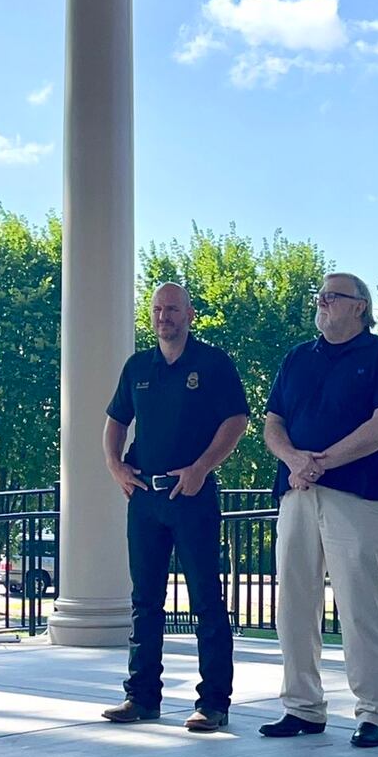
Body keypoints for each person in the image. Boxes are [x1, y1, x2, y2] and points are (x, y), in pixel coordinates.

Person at [261, 273, 378, 748]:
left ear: (360, 307)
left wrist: (321, 462)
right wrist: (293, 461)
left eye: (333, 297)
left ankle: (371, 713)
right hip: (296, 495)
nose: (322, 303)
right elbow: (272, 423)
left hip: (357, 495)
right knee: (294, 605)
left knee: (361, 606)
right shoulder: (297, 358)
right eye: (320, 296)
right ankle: (302, 708)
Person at [100, 283, 250, 731]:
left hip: (192, 495)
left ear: (190, 314)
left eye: (172, 310)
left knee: (207, 599)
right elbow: (116, 420)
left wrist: (202, 467)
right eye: (158, 309)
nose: (164, 317)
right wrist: (114, 465)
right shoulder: (138, 367)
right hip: (145, 496)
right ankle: (141, 697)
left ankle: (214, 704)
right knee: (145, 600)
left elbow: (237, 420)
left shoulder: (213, 363)